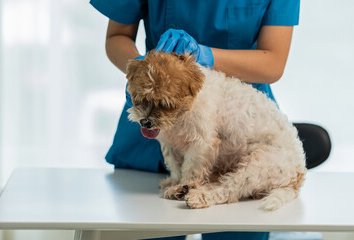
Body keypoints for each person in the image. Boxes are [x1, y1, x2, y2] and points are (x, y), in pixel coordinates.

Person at [90, 1, 300, 239]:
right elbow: (117, 36)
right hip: (152, 138)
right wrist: (142, 70)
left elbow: (273, 62)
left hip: (238, 132)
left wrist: (206, 55)